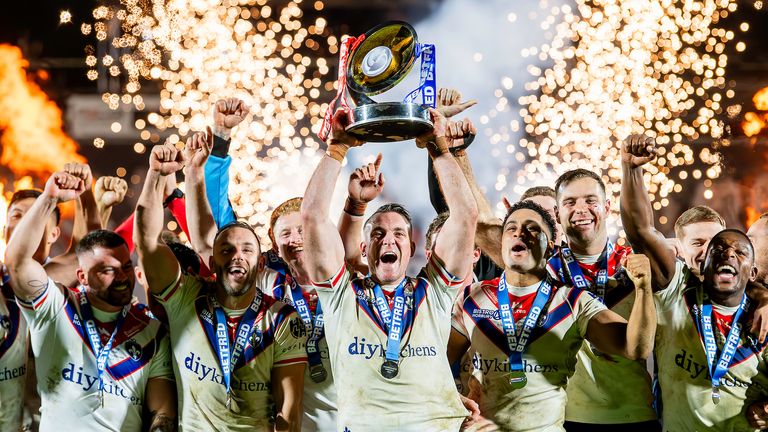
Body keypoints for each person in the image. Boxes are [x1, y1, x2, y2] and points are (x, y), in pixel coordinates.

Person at [300, 106, 478, 430]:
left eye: (399, 235)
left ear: (412, 249)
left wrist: (438, 146)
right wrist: (337, 148)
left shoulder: (433, 292)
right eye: (378, 234)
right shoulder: (342, 295)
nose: (389, 241)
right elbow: (311, 216)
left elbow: (465, 215)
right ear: (365, 249)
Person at [134, 136, 306, 431]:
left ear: (261, 263)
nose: (237, 257)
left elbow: (289, 414)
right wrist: (155, 175)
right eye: (226, 250)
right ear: (212, 263)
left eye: (247, 250)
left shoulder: (281, 318)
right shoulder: (185, 298)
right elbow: (147, 243)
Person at [449, 200, 656, 430]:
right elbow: (433, 365)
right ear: (503, 242)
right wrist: (451, 400)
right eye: (511, 228)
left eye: (532, 228)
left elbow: (636, 347)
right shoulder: (472, 297)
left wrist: (644, 288)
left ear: (549, 247)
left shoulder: (572, 301)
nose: (520, 232)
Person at [4, 170, 176, 431]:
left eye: (126, 267)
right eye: (107, 270)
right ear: (82, 277)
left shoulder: (150, 330)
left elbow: (161, 409)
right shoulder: (56, 304)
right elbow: (19, 262)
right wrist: (50, 197)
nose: (121, 277)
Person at [546, 168, 658, 431]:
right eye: (569, 202)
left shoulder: (638, 265)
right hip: (566, 419)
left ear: (607, 207)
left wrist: (763, 296)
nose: (581, 209)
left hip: (635, 417)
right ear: (556, 214)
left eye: (590, 200)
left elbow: (701, 285)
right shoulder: (545, 273)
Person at [653, 229, 768, 430]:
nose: (728, 253)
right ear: (703, 266)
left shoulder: (762, 320)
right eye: (718, 249)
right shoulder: (677, 295)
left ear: (752, 273)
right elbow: (640, 230)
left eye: (740, 251)